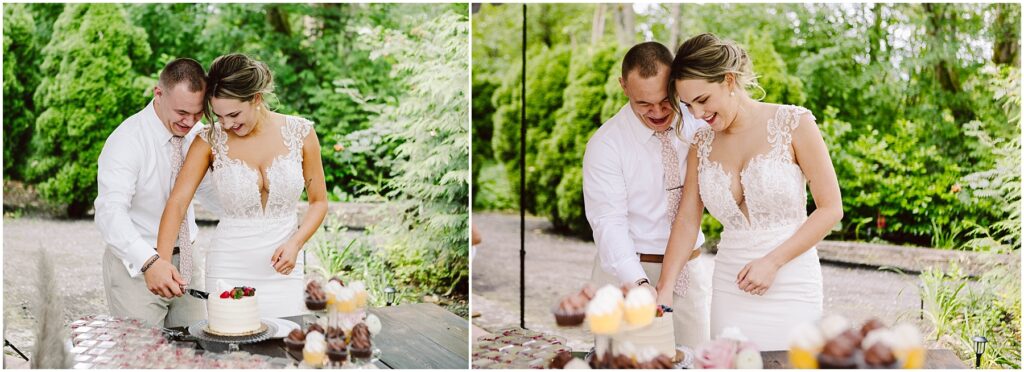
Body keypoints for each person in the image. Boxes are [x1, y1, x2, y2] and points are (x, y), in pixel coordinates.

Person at [656, 33, 844, 350]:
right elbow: (688, 220)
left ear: (729, 80)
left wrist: (772, 262)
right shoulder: (700, 144)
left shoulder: (794, 122)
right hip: (731, 285)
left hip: (792, 280)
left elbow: (830, 209)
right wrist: (664, 286)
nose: (698, 114)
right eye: (689, 105)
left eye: (703, 100)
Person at [155, 53, 328, 318]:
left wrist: (295, 244)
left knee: (283, 348)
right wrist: (163, 263)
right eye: (219, 116)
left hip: (284, 270)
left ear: (256, 98)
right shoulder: (209, 140)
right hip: (229, 267)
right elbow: (177, 203)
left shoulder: (301, 132)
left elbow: (319, 202)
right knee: (230, 347)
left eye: (234, 114)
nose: (227, 124)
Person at [582, 41, 711, 349]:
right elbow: (608, 221)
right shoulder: (606, 145)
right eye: (644, 104)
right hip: (625, 271)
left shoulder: (701, 125)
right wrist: (638, 283)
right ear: (623, 86)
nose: (657, 112)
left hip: (688, 271)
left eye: (666, 100)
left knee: (695, 360)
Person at [95, 58, 220, 327]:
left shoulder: (198, 134)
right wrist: (150, 262)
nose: (190, 122)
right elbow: (109, 212)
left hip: (189, 261)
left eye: (198, 113)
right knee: (143, 357)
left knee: (194, 354)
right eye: (182, 113)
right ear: (158, 93)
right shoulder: (126, 141)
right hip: (137, 267)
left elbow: (210, 194)